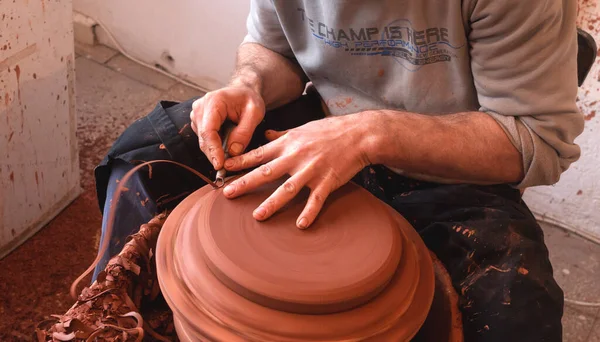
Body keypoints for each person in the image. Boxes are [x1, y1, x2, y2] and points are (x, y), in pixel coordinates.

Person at [93, 1, 584, 341]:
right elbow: (276, 49)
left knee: (518, 308)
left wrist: (370, 134)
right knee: (147, 157)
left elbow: (532, 136)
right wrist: (251, 84)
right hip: (321, 120)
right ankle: (108, 317)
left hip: (449, 164)